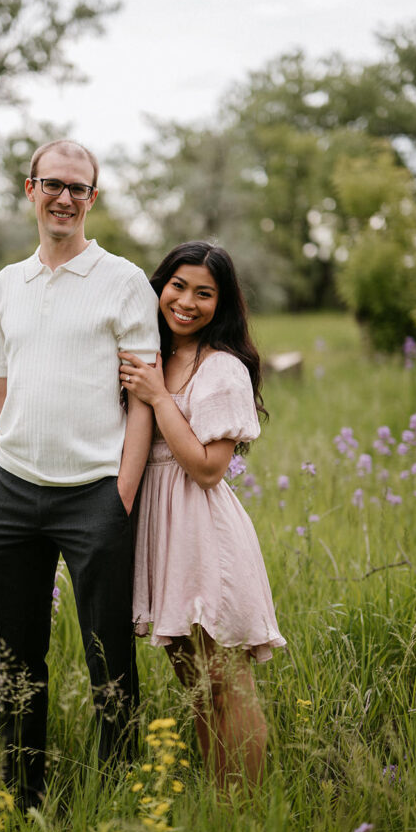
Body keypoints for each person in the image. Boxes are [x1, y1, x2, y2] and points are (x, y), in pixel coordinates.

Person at [0, 140, 159, 811]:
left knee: (111, 660)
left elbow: (144, 397)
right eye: (53, 184)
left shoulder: (125, 281)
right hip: (12, 495)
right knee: (17, 663)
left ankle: (119, 798)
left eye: (79, 188)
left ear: (93, 199)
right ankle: (23, 795)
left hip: (94, 498)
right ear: (30, 190)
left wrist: (121, 497)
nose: (65, 198)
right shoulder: (4, 286)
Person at [119, 240, 286, 789]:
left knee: (226, 682)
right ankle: (220, 801)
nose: (187, 301)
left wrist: (160, 398)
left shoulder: (222, 370)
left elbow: (209, 468)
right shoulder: (151, 355)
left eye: (205, 293)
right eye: (178, 286)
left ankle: (244, 808)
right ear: (159, 287)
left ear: (223, 303)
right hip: (163, 531)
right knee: (192, 679)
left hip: (204, 531)